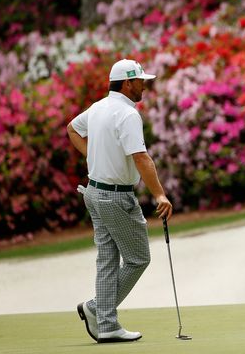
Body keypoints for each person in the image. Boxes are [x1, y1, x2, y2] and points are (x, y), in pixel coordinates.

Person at [67, 59, 173, 343]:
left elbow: (72, 129)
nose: (144, 86)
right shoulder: (128, 114)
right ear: (127, 83)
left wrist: (95, 157)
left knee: (107, 260)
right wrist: (160, 194)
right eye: (141, 81)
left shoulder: (98, 107)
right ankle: (98, 310)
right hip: (115, 197)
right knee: (138, 258)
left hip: (93, 192)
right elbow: (141, 158)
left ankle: (106, 325)